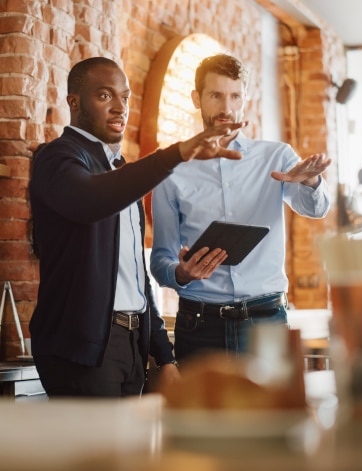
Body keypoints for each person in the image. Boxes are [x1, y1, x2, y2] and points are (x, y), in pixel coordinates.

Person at [28, 56, 247, 398]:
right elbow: (90, 200)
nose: (119, 108)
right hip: (82, 352)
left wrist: (164, 354)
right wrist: (176, 154)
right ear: (74, 102)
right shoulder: (56, 158)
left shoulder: (119, 170)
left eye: (125, 97)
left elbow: (135, 276)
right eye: (104, 96)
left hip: (131, 347)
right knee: (100, 452)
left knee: (130, 452)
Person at [150, 53, 331, 362]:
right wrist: (181, 273)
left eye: (235, 96)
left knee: (272, 412)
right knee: (200, 413)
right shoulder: (173, 168)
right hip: (200, 326)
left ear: (245, 98)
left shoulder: (276, 157)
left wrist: (311, 182)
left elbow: (316, 209)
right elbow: (160, 260)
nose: (227, 108)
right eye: (216, 96)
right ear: (197, 98)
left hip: (266, 322)